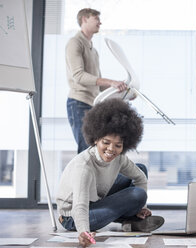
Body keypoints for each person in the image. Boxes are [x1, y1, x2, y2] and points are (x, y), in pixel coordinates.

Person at [56, 98, 164, 247]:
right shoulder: (84, 166)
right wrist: (83, 233)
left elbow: (140, 178)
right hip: (73, 216)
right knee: (137, 194)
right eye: (105, 143)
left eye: (117, 145)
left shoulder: (119, 158)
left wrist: (141, 207)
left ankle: (131, 220)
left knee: (141, 170)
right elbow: (80, 206)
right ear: (95, 139)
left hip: (96, 199)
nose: (111, 149)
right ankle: (131, 221)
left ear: (124, 145)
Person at [66, 8, 128, 153]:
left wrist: (122, 90)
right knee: (86, 150)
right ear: (84, 19)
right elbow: (79, 76)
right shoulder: (75, 43)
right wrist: (111, 82)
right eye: (96, 18)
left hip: (92, 104)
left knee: (96, 151)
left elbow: (98, 86)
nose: (100, 23)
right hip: (78, 103)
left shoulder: (93, 50)